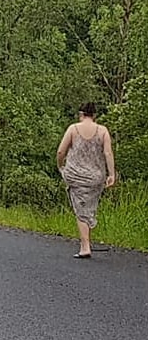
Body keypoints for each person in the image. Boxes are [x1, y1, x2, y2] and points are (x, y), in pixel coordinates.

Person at [56, 103, 116, 259]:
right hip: (96, 176)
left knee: (81, 209)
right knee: (88, 206)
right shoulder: (103, 131)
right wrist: (112, 174)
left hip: (75, 175)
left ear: (81, 114)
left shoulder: (73, 129)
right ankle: (86, 241)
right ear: (94, 115)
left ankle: (85, 246)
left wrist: (60, 165)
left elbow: (61, 150)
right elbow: (108, 153)